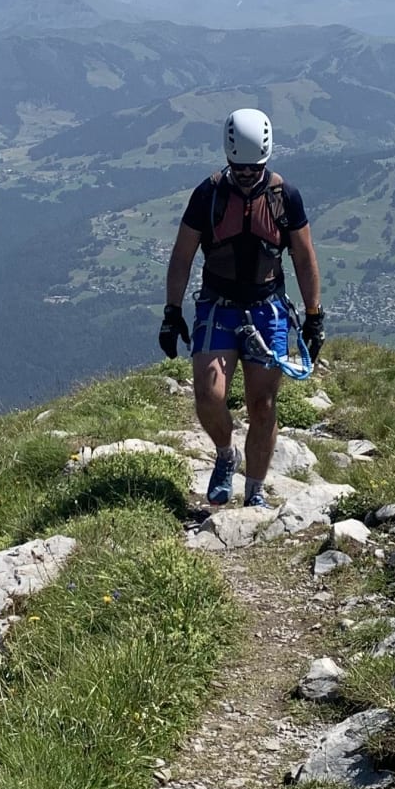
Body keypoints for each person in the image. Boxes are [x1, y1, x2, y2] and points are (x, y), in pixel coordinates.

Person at [158, 106, 325, 507]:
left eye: (255, 169)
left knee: (263, 405)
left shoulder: (285, 198)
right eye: (240, 168)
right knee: (209, 395)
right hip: (219, 304)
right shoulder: (208, 195)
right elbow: (182, 257)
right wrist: (171, 312)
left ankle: (254, 492)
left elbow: (304, 258)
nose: (248, 175)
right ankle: (224, 454)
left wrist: (314, 316)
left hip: (267, 308)